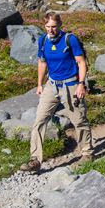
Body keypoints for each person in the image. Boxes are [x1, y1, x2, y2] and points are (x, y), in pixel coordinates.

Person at [22, 11, 93, 172]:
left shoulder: (70, 39)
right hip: (51, 85)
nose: (50, 30)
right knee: (39, 120)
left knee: (79, 120)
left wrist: (81, 84)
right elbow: (42, 63)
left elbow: (81, 63)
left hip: (71, 85)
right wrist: (39, 84)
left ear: (60, 25)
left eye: (54, 27)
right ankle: (35, 159)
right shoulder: (42, 41)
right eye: (47, 27)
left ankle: (87, 153)